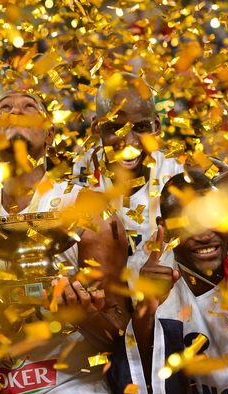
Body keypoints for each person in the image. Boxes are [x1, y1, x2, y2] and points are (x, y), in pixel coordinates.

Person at [0, 91, 130, 394]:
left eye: (29, 108)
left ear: (49, 134)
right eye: (3, 108)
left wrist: (79, 311)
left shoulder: (83, 205)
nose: (15, 113)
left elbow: (119, 333)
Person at [119, 170, 228, 394]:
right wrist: (148, 306)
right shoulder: (146, 272)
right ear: (164, 227)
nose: (204, 235)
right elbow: (142, 368)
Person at [75, 73, 184, 262]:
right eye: (115, 128)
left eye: (141, 128)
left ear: (156, 126)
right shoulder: (75, 177)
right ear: (96, 128)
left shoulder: (181, 175)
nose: (130, 143)